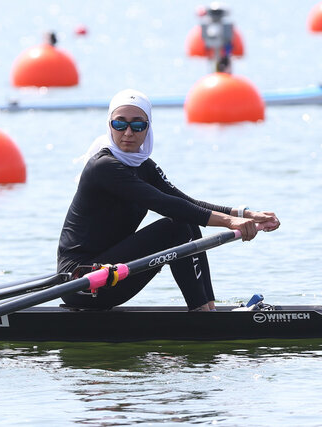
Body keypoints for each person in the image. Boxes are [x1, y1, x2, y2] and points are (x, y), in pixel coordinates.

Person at [56, 89, 280, 311]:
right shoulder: (103, 167)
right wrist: (229, 223)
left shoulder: (144, 166)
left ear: (148, 128)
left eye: (137, 125)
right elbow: (163, 203)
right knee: (175, 227)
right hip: (81, 281)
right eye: (119, 124)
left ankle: (207, 307)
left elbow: (185, 202)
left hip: (110, 274)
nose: (128, 132)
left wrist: (245, 214)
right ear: (109, 125)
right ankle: (202, 314)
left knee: (187, 219)